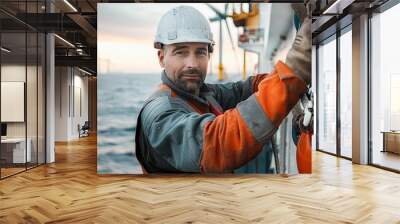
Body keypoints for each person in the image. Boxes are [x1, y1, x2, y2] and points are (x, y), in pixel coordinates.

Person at [135, 5, 311, 173]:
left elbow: (243, 89)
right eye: (181, 52)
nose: (192, 64)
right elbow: (218, 142)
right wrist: (295, 70)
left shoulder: (201, 94)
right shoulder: (159, 115)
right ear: (161, 57)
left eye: (200, 52)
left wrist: (283, 78)